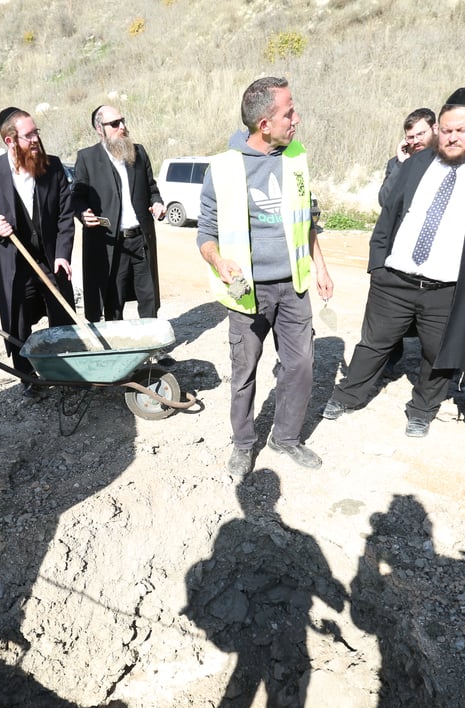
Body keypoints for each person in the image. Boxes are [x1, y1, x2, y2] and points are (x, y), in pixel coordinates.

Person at [322, 88, 465, 437]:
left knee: (437, 354)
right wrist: (378, 266)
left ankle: (422, 408)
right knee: (373, 343)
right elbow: (390, 214)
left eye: (461, 130)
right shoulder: (421, 161)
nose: (452, 137)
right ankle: (348, 395)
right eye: (446, 129)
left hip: (449, 288)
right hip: (395, 279)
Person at [197, 76, 333, 477]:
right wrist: (218, 262)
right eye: (289, 112)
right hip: (245, 291)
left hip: (294, 286)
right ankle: (243, 445)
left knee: (301, 365)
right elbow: (205, 235)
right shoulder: (222, 170)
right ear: (264, 124)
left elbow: (307, 219)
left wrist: (320, 265)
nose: (297, 119)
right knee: (244, 372)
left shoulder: (295, 158)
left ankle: (285, 438)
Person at [0, 107, 76, 399]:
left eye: (36, 132)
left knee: (62, 315)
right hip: (14, 263)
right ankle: (27, 376)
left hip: (49, 259)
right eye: (28, 135)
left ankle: (67, 370)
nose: (35, 139)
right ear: (10, 140)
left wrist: (62, 254)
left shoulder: (52, 166)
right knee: (18, 322)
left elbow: (65, 216)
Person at [72, 105, 165, 322]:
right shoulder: (87, 158)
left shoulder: (139, 153)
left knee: (148, 297)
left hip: (141, 240)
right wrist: (82, 213)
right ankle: (118, 351)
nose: (122, 127)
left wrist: (158, 203)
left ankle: (152, 352)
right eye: (115, 124)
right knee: (114, 301)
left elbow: (151, 189)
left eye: (122, 121)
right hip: (111, 244)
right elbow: (77, 195)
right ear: (99, 128)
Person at [378, 108, 436, 209]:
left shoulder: (446, 159)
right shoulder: (397, 164)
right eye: (411, 137)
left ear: (435, 129)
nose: (416, 141)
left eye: (420, 134)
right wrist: (401, 165)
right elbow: (384, 200)